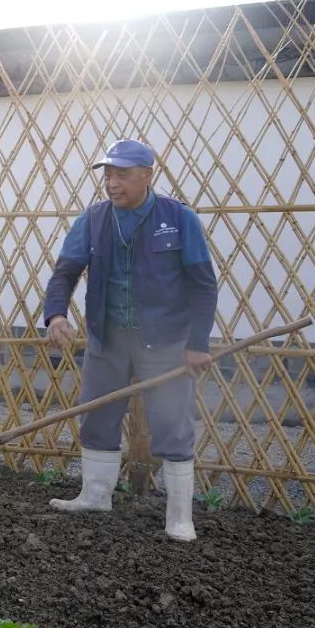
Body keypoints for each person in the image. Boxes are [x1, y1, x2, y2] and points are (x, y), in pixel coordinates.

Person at [42, 138, 218, 541]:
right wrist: (55, 313)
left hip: (166, 342)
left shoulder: (178, 218)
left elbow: (203, 286)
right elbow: (65, 271)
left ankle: (178, 518)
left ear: (146, 176)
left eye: (122, 175)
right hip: (108, 340)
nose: (112, 183)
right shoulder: (94, 219)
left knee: (173, 424)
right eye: (107, 175)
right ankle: (95, 495)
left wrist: (198, 344)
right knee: (97, 417)